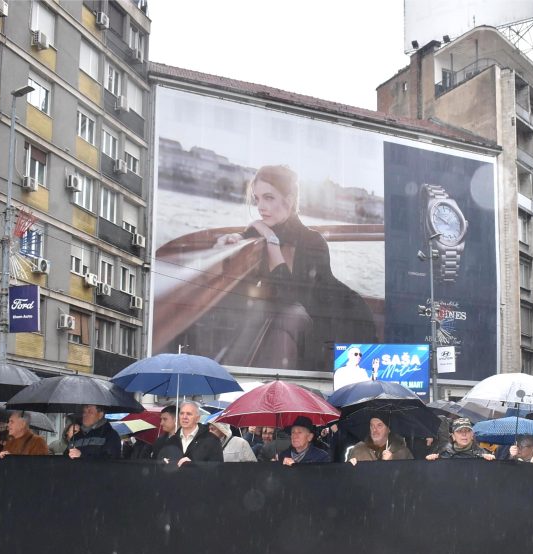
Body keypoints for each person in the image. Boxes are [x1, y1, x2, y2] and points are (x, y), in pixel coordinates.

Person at [208, 165, 377, 370]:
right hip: (302, 325)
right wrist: (234, 238)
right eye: (257, 199)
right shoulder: (258, 232)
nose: (261, 207)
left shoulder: (314, 242)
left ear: (288, 200)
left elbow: (291, 298)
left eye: (268, 198)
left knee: (289, 317)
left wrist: (271, 241)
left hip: (341, 323)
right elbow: (245, 244)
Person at [161, 401, 223, 467]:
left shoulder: (212, 440)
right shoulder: (171, 441)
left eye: (189, 414)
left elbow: (217, 469)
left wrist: (193, 464)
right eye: (181, 413)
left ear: (197, 418)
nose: (184, 417)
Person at [348, 414, 413, 463]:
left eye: (379, 425)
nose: (374, 430)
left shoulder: (402, 452)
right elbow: (347, 477)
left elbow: (409, 477)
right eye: (372, 425)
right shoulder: (358, 449)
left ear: (389, 429)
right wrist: (349, 466)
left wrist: (392, 463)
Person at [426, 418, 496, 461]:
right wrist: (433, 460)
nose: (464, 434)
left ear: (472, 435)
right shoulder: (442, 453)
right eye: (459, 431)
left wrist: (489, 461)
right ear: (453, 436)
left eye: (467, 430)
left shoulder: (483, 454)